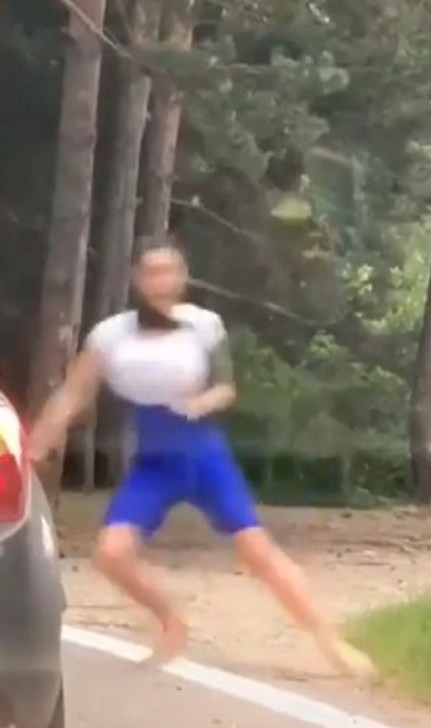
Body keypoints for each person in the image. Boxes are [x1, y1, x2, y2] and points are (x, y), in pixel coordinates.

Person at [28, 243, 376, 679]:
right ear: (138, 280)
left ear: (182, 277)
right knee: (111, 553)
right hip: (154, 463)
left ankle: (332, 642)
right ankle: (171, 620)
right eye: (151, 272)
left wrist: (202, 400)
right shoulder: (111, 335)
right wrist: (35, 447)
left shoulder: (203, 325)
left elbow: (226, 387)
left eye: (169, 271)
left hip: (203, 455)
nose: (160, 280)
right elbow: (71, 394)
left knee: (257, 550)